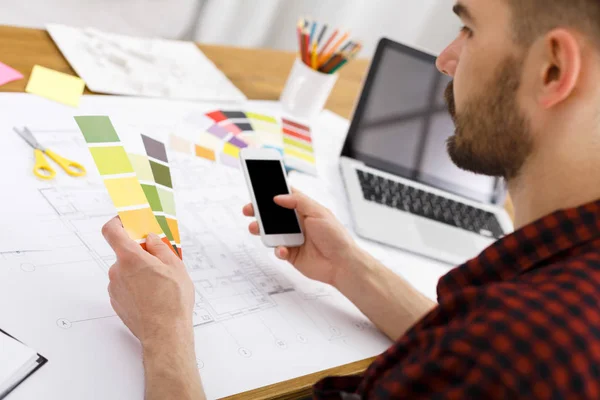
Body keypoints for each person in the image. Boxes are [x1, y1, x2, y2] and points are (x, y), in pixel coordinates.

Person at [101, 0, 600, 398]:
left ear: (553, 69)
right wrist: (350, 268)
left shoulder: (517, 347)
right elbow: (466, 348)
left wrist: (164, 337)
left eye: (468, 29)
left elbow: (487, 356)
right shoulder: (531, 320)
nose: (445, 61)